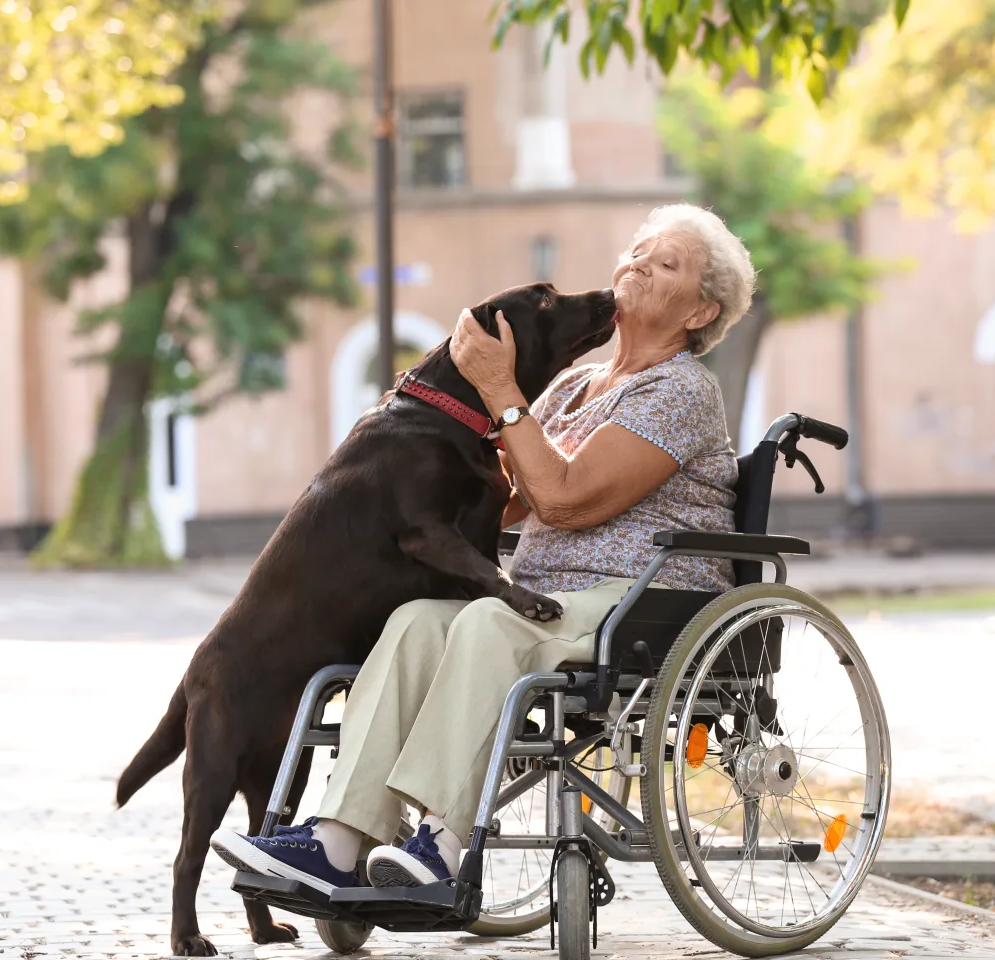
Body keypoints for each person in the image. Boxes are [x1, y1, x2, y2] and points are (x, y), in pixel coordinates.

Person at [211, 203, 756, 893]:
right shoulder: (577, 387)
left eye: (667, 263)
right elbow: (514, 496)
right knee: (414, 623)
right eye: (638, 250)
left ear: (701, 313)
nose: (639, 264)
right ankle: (340, 840)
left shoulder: (679, 391)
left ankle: (442, 844)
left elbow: (564, 498)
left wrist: (502, 390)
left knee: (488, 622)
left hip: (640, 598)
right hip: (551, 600)